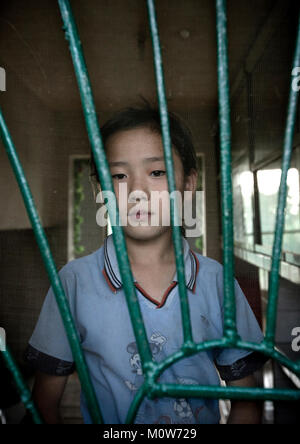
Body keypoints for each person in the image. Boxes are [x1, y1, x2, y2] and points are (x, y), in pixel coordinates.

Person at [24, 103, 268, 424]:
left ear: (189, 184)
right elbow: (44, 402)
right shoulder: (74, 283)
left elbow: (248, 400)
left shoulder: (217, 283)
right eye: (119, 176)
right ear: (101, 191)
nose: (137, 191)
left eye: (156, 172)